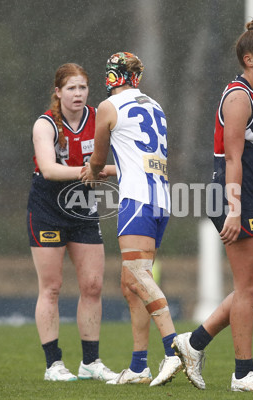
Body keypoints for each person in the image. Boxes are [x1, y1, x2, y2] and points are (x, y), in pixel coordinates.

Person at [172, 19, 253, 392]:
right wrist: (234, 210)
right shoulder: (238, 98)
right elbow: (233, 160)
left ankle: (193, 343)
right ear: (249, 59)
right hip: (233, 197)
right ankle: (242, 373)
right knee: (248, 287)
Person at [81, 52, 183, 386]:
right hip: (161, 201)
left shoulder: (107, 108)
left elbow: (97, 158)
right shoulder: (155, 106)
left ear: (111, 76)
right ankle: (139, 367)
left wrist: (93, 172)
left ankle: (175, 349)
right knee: (130, 285)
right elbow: (139, 159)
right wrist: (108, 169)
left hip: (136, 201)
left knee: (138, 277)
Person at [26, 63, 118, 382]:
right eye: (71, 89)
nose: (78, 94)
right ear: (58, 92)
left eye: (82, 88)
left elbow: (120, 164)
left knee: (92, 285)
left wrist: (111, 170)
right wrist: (90, 171)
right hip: (47, 209)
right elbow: (49, 170)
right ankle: (54, 365)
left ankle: (90, 362)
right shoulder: (46, 124)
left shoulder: (100, 118)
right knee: (51, 287)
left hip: (82, 207)